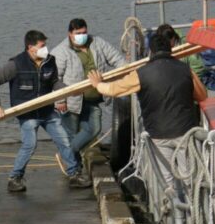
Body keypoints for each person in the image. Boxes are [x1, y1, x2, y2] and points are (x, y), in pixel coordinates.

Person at [88, 24, 206, 185]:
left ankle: (174, 207)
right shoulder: (185, 69)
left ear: (150, 51)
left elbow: (114, 90)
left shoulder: (141, 74)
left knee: (167, 180)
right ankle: (193, 207)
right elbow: (202, 95)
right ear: (172, 48)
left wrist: (97, 84)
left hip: (158, 133)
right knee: (189, 177)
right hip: (184, 131)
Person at [0, 30, 92, 192]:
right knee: (30, 144)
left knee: (64, 140)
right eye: (42, 46)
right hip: (27, 113)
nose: (46, 49)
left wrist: (69, 90)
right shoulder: (16, 64)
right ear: (31, 47)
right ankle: (14, 178)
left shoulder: (50, 61)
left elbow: (55, 83)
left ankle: (74, 174)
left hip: (47, 111)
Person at [52, 18, 127, 167]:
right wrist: (60, 100)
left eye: (84, 32)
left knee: (94, 128)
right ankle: (75, 169)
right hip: (72, 101)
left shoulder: (97, 43)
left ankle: (65, 155)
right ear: (70, 34)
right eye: (78, 33)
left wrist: (126, 71)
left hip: (94, 98)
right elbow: (54, 78)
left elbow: (116, 59)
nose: (82, 35)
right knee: (73, 134)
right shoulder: (60, 51)